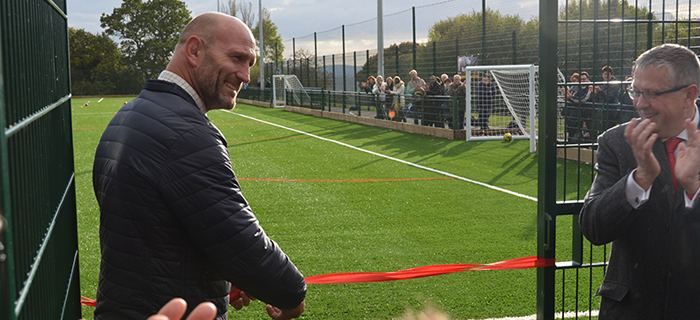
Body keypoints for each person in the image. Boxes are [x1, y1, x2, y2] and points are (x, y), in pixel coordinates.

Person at [92, 12, 306, 320]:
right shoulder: (187, 134)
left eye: (250, 63)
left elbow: (155, 232)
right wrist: (292, 294)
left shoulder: (129, 114)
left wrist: (222, 274)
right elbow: (239, 240)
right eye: (236, 58)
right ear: (194, 50)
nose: (246, 75)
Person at [580, 43, 700, 319]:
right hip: (631, 308)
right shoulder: (617, 142)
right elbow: (593, 227)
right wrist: (639, 179)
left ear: (688, 94)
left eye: (652, 94)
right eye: (635, 91)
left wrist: (694, 188)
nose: (639, 103)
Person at [563, 71, 594, 142]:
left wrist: (570, 98)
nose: (582, 81)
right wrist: (568, 97)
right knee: (574, 132)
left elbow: (584, 99)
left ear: (588, 79)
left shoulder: (590, 87)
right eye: (581, 79)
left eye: (584, 79)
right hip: (579, 114)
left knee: (592, 133)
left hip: (590, 113)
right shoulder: (578, 87)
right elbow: (572, 96)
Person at [593, 65, 623, 137]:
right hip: (602, 111)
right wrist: (595, 93)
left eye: (608, 74)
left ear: (611, 75)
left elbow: (610, 97)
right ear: (602, 75)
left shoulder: (614, 84)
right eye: (605, 74)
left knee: (609, 131)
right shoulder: (602, 84)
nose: (606, 76)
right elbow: (598, 99)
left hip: (611, 111)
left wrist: (600, 92)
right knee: (601, 130)